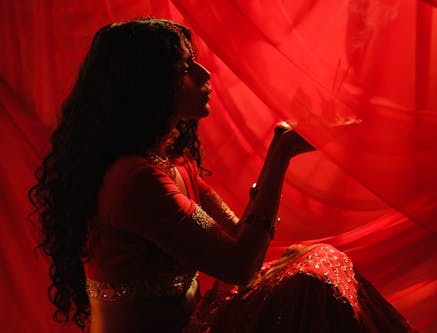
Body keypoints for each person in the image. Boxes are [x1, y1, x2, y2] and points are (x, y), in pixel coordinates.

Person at [29, 18, 416, 332]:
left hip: (197, 323)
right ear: (148, 87)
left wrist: (283, 146)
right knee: (312, 282)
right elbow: (240, 265)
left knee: (319, 265)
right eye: (185, 67)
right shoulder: (134, 181)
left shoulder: (174, 163)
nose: (204, 72)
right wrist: (280, 156)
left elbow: (238, 236)